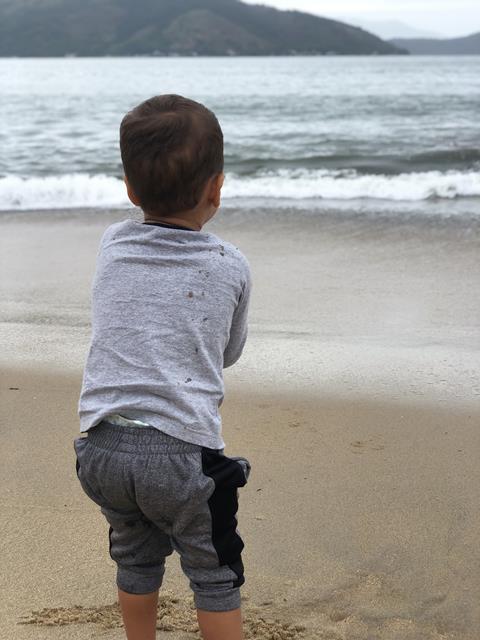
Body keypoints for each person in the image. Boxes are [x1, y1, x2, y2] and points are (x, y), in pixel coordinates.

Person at [74, 94, 252, 640]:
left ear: (130, 190)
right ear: (216, 188)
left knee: (134, 555)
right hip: (180, 458)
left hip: (100, 449)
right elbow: (227, 353)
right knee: (214, 571)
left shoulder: (112, 242)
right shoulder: (229, 264)